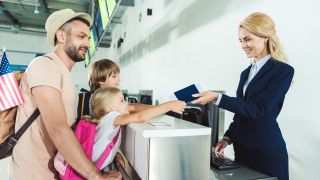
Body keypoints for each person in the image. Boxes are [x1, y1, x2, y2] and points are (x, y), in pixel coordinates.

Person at [10, 9, 121, 180]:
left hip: (54, 173)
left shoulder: (63, 73)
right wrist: (96, 176)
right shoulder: (45, 66)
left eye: (89, 38)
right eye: (81, 36)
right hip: (33, 175)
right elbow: (59, 129)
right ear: (61, 36)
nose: (87, 43)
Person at [192, 12, 294, 180]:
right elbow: (242, 109)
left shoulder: (283, 71)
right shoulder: (245, 73)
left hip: (265, 150)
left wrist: (217, 98)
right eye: (240, 40)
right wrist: (228, 137)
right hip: (243, 149)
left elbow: (259, 109)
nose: (243, 45)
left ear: (265, 37)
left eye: (247, 39)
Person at [86, 87, 186, 171]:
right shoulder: (112, 117)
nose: (127, 103)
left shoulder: (105, 119)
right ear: (109, 108)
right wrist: (169, 106)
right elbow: (140, 117)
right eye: (122, 100)